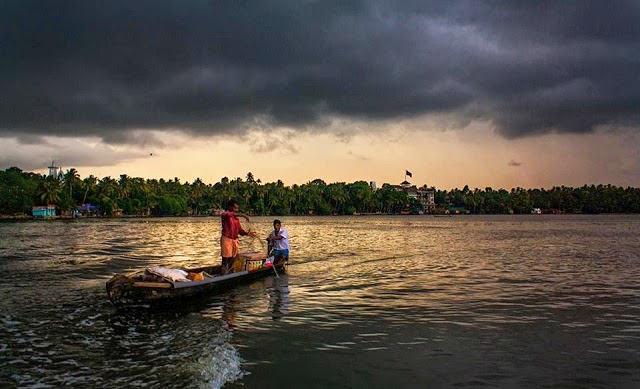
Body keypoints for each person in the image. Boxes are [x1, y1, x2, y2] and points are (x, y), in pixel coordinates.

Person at [220, 199, 256, 274]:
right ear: (230, 207)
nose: (236, 210)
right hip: (227, 239)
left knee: (233, 259)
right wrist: (242, 215)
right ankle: (223, 275)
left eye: (237, 208)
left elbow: (240, 231)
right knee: (225, 259)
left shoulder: (236, 219)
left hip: (234, 240)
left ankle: (230, 273)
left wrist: (247, 233)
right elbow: (229, 214)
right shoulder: (225, 214)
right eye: (235, 208)